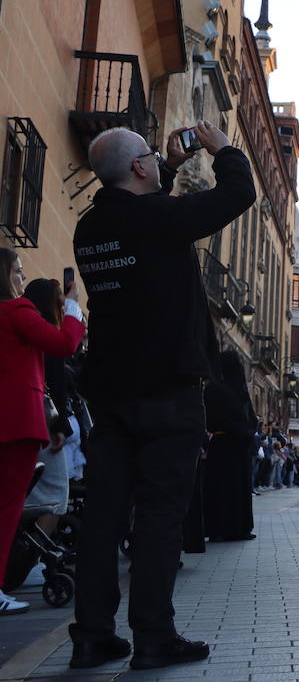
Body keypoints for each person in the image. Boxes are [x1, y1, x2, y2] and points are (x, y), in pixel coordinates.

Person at [68, 121, 254, 671]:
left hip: (110, 391)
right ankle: (153, 633)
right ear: (140, 168)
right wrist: (222, 148)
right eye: (149, 156)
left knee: (103, 517)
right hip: (167, 393)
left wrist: (165, 167)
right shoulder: (157, 221)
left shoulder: (89, 228)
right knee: (159, 515)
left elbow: (142, 226)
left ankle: (91, 635)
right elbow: (237, 193)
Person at [0, 251, 85, 617]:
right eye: (18, 272)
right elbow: (64, 344)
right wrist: (73, 311)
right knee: (7, 509)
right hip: (18, 422)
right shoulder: (17, 312)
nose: (22, 277)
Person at [203, 351, 255, 542]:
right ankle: (238, 528)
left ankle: (217, 528)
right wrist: (246, 433)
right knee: (237, 489)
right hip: (238, 446)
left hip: (221, 444)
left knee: (219, 488)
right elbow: (250, 418)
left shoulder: (213, 389)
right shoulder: (240, 392)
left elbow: (209, 419)